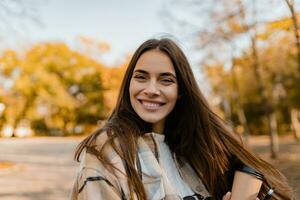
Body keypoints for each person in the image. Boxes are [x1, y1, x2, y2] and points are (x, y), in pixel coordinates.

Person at [70, 38, 293, 200]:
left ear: (181, 91)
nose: (151, 89)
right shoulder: (107, 150)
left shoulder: (197, 149)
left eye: (165, 80)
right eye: (141, 77)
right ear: (129, 83)